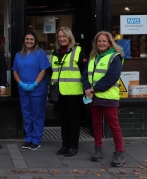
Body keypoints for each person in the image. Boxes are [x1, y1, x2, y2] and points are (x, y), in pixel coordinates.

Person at [82, 31, 125, 167]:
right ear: (96, 43)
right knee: (96, 125)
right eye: (99, 41)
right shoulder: (92, 57)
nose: (101, 43)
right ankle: (98, 149)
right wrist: (87, 88)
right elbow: (85, 75)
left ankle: (119, 152)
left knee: (113, 126)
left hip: (108, 98)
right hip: (93, 98)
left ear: (109, 43)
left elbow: (112, 77)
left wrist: (94, 89)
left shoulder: (114, 57)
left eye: (104, 41)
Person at [49, 27, 87, 157]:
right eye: (59, 37)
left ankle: (73, 146)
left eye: (64, 36)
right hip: (59, 93)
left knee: (73, 120)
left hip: (73, 92)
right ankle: (65, 144)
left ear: (69, 37)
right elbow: (52, 72)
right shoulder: (55, 53)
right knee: (63, 120)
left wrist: (87, 89)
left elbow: (85, 72)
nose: (61, 39)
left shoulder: (78, 51)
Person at [12, 31, 50, 151]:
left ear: (35, 41)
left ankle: (36, 139)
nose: (29, 41)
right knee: (26, 115)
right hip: (23, 89)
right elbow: (14, 71)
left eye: (31, 39)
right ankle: (28, 138)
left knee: (37, 115)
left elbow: (43, 70)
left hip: (37, 89)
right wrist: (21, 83)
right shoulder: (18, 55)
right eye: (27, 39)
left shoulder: (40, 54)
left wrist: (35, 84)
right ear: (24, 41)